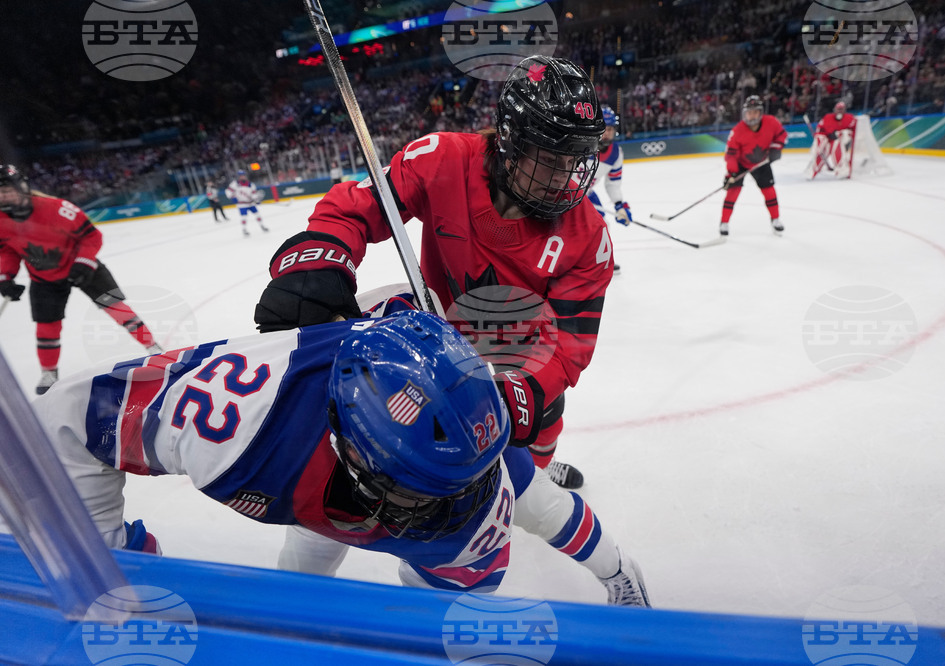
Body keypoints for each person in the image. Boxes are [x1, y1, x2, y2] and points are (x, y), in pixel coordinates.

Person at [36, 309, 649, 606]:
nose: (463, 510)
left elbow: (547, 513)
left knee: (533, 504)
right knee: (303, 581)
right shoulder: (239, 428)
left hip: (420, 467)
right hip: (309, 480)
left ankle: (621, 570)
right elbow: (64, 418)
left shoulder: (467, 476)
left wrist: (120, 570)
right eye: (423, 493)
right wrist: (115, 551)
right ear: (351, 447)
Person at [254, 55, 615, 491]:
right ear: (510, 139)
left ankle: (534, 477)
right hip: (441, 339)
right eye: (550, 157)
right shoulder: (443, 158)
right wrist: (319, 261)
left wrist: (528, 391)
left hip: (521, 354)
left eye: (575, 158)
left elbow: (570, 345)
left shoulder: (589, 237)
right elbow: (358, 207)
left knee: (545, 414)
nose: (564, 177)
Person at [0, 164, 163, 395]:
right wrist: (5, 277)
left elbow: (92, 237)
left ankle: (152, 346)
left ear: (22, 187)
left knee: (116, 308)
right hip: (44, 276)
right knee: (47, 327)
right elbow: (7, 250)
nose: (3, 196)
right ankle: (49, 372)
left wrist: (83, 263)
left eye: (6, 189)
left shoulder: (56, 209)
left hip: (83, 266)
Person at [719, 96, 787, 237]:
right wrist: (731, 173)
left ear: (760, 113)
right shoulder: (738, 131)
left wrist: (776, 148)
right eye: (749, 112)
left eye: (755, 112)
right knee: (732, 193)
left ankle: (775, 219)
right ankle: (724, 222)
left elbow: (782, 135)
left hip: (761, 162)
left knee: (769, 191)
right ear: (744, 113)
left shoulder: (771, 122)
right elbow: (730, 155)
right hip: (740, 164)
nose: (752, 115)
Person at [586, 105, 632, 273]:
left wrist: (619, 205)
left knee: (602, 224)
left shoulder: (615, 153)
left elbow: (613, 183)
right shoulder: (580, 145)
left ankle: (601, 261)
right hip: (564, 192)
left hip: (585, 193)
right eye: (604, 129)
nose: (607, 133)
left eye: (611, 129)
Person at [807, 101, 857, 180]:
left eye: (841, 109)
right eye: (838, 109)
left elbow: (853, 131)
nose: (839, 111)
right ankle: (813, 170)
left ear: (845, 110)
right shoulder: (827, 117)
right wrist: (822, 138)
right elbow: (819, 130)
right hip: (827, 140)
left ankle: (842, 171)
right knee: (821, 151)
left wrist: (841, 134)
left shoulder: (850, 118)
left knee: (837, 149)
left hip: (840, 141)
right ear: (835, 109)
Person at [225, 170, 268, 237]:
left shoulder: (251, 184)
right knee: (244, 217)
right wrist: (232, 197)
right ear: (238, 177)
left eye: (243, 175)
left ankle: (262, 226)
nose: (242, 177)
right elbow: (228, 192)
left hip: (250, 203)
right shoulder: (234, 184)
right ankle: (244, 230)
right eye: (241, 176)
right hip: (242, 205)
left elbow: (254, 194)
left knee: (257, 215)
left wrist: (256, 200)